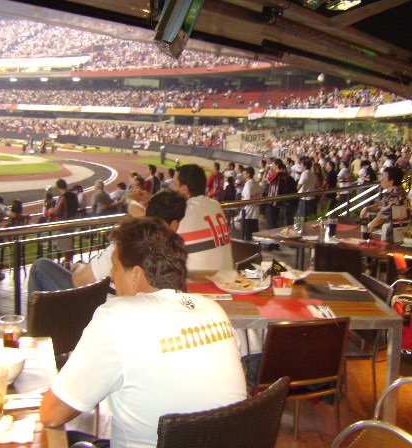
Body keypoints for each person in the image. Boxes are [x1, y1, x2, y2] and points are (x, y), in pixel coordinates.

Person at [39, 217, 247, 447]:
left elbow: (52, 413)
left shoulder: (117, 318)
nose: (112, 276)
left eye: (115, 267)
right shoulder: (213, 309)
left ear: (136, 275)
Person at [27, 189, 187, 297]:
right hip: (137, 308)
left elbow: (79, 282)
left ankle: (35, 333)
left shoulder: (127, 244)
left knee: (40, 267)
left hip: (93, 306)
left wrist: (80, 269)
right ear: (175, 224)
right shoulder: (173, 249)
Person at [172, 164, 233, 271]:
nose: (172, 187)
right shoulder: (215, 205)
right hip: (227, 278)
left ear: (184, 189)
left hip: (198, 284)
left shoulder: (182, 212)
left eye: (175, 184)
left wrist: (132, 201)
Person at [361, 166, 409, 232]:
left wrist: (367, 227)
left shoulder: (395, 196)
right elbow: (381, 205)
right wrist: (368, 208)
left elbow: (382, 218)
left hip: (394, 234)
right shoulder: (395, 191)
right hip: (389, 230)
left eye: (383, 178)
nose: (380, 179)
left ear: (391, 182)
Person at [240, 166, 262, 240]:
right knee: (254, 232)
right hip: (255, 212)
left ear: (248, 174)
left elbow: (246, 199)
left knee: (248, 233)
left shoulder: (248, 185)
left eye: (244, 173)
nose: (243, 174)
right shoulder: (256, 183)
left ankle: (248, 249)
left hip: (248, 213)